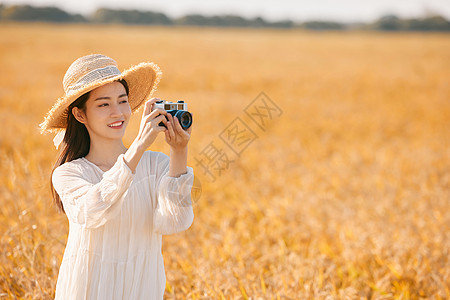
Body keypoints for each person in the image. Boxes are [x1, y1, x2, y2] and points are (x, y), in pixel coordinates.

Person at [40, 54, 195, 299]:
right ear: (80, 115)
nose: (118, 112)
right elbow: (93, 211)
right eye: (104, 104)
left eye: (122, 101)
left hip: (142, 289)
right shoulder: (69, 173)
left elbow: (176, 221)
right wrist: (139, 146)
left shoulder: (156, 164)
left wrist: (179, 151)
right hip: (89, 289)